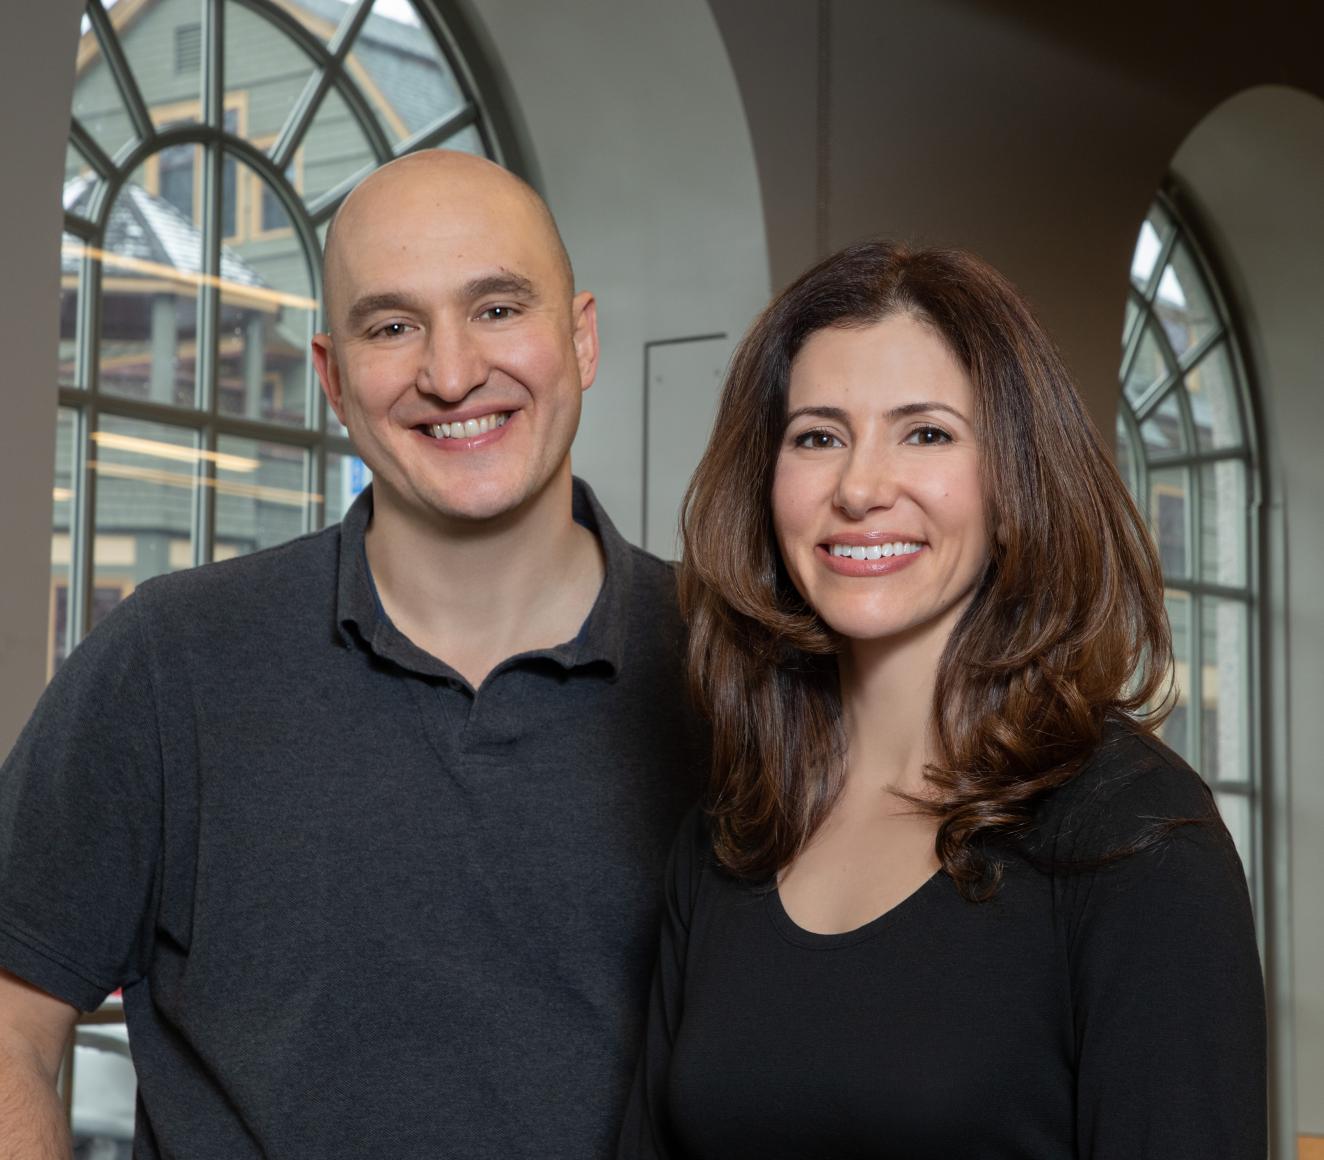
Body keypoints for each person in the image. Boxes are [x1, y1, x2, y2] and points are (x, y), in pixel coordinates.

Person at [0, 150, 706, 1158]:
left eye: (498, 308)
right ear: (333, 376)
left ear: (581, 337)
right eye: (392, 325)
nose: (452, 371)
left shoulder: (738, 669)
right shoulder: (173, 661)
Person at [619, 240, 1266, 1158]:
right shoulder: (731, 834)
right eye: (818, 435)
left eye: (926, 432)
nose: (859, 487)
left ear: (1012, 487)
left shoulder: (1138, 837)